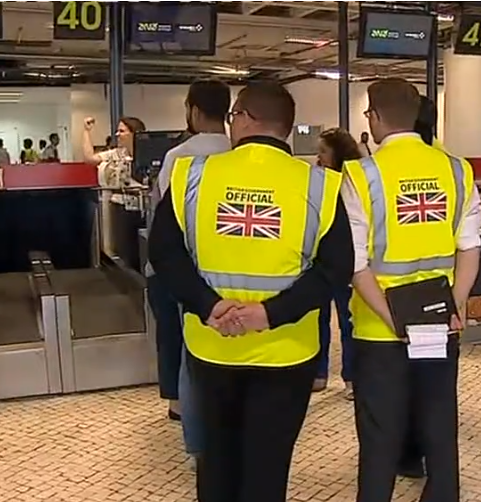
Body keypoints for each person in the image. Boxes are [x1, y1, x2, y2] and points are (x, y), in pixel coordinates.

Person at [149, 80, 353, 502]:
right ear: (285, 126)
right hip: (287, 352)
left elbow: (164, 253)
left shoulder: (193, 175)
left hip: (212, 348)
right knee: (268, 465)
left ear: (242, 118)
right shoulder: (321, 186)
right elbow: (335, 270)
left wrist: (209, 305)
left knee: (217, 463)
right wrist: (269, 314)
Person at [342, 78, 481, 502]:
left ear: (375, 117)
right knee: (439, 423)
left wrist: (395, 320)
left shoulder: (361, 174)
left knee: (380, 433)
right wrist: (452, 308)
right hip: (440, 326)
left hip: (379, 331)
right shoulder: (456, 169)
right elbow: (470, 248)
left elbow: (357, 264)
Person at [145, 79, 232, 463]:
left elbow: (169, 217)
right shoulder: (239, 151)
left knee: (191, 349)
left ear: (194, 111)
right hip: (232, 263)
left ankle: (196, 438)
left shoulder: (178, 157)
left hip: (189, 267)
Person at [398, 94, 440, 480]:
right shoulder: (450, 167)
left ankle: (406, 453)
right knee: (431, 385)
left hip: (388, 307)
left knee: (397, 387)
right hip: (436, 304)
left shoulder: (374, 171)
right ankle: (425, 454)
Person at [313, 128, 363, 398]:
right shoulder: (316, 180)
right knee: (317, 318)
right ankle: (318, 374)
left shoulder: (354, 180)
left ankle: (352, 378)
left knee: (348, 319)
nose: (317, 157)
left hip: (347, 259)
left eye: (323, 151)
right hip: (319, 260)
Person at [82, 115, 146, 256]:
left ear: (134, 133)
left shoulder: (147, 153)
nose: (117, 135)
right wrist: (87, 131)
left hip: (144, 207)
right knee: (124, 249)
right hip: (121, 206)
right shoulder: (116, 153)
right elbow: (89, 159)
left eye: (122, 131)